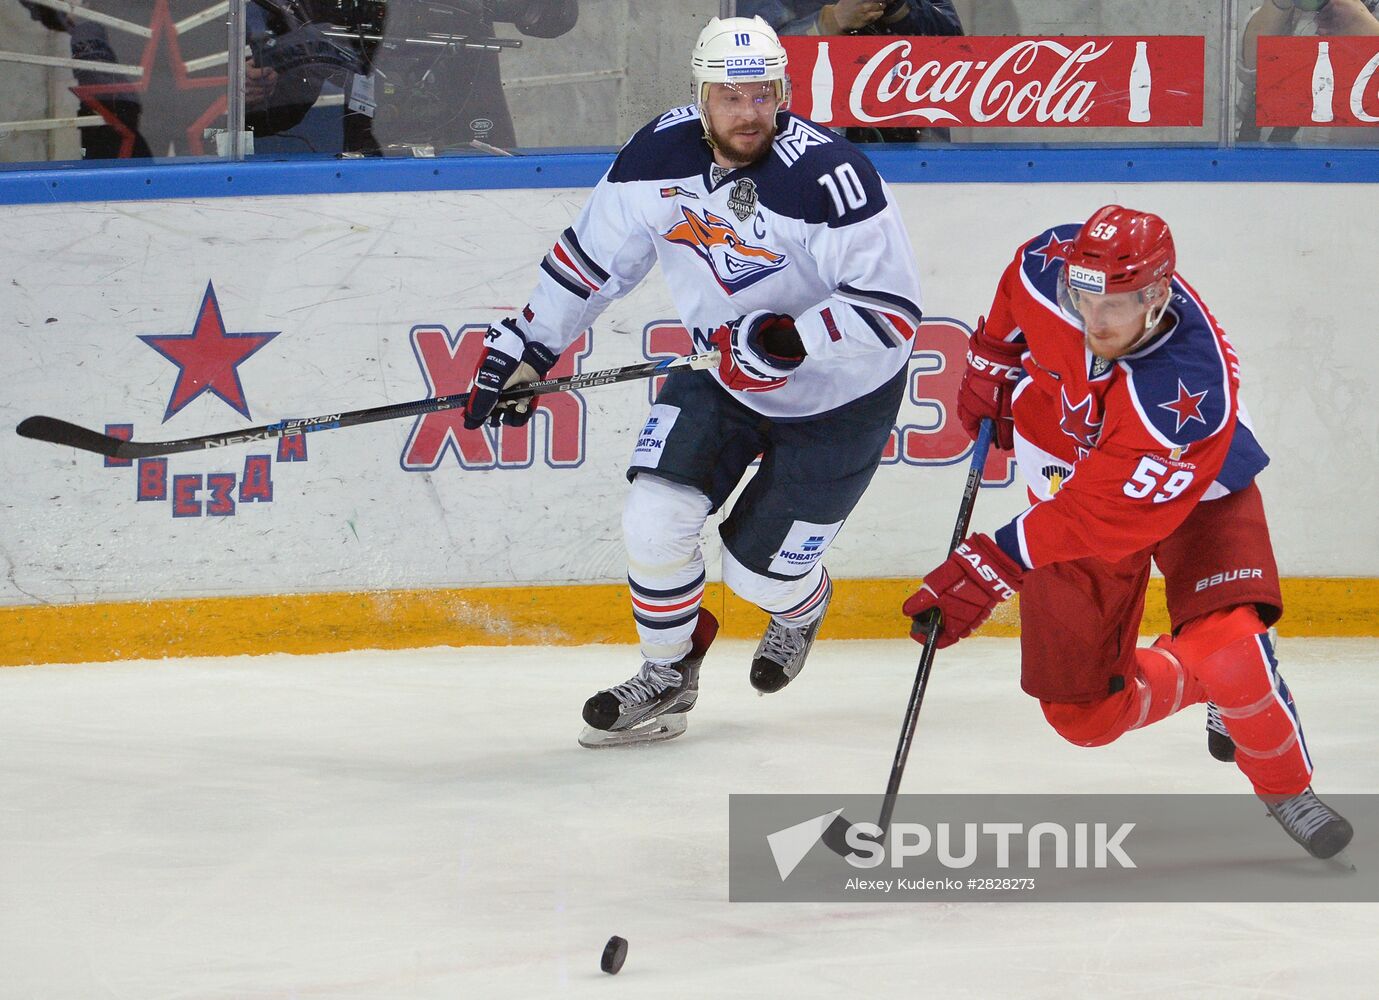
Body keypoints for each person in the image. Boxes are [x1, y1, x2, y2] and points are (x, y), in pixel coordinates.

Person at [459, 15, 924, 747]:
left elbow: (892, 313)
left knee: (759, 580)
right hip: (722, 374)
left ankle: (800, 607)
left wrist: (786, 338)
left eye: (763, 95)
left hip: (842, 395)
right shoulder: (656, 155)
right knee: (653, 516)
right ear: (699, 95)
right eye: (730, 97)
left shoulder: (828, 177)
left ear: (784, 92)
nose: (749, 114)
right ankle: (667, 675)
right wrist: (526, 346)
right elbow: (590, 262)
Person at [902, 205, 1354, 860]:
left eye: (1117, 304)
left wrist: (993, 563)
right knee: (1080, 716)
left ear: (1157, 295)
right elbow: (1013, 291)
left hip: (1189, 482)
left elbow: (1102, 513)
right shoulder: (1043, 266)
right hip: (1062, 468)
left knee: (1226, 643)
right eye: (1084, 298)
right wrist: (992, 361)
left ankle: (1282, 782)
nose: (1095, 321)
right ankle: (1209, 675)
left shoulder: (1186, 393)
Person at [742, 0, 964, 143]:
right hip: (806, 147)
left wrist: (899, 9)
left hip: (916, 155)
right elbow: (747, 59)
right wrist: (828, 22)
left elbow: (963, 54)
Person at [1236, 0, 1379, 142]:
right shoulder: (1297, 12)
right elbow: (1249, 71)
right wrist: (1278, 5)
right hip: (1259, 153)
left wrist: (1366, 31)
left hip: (1350, 159)